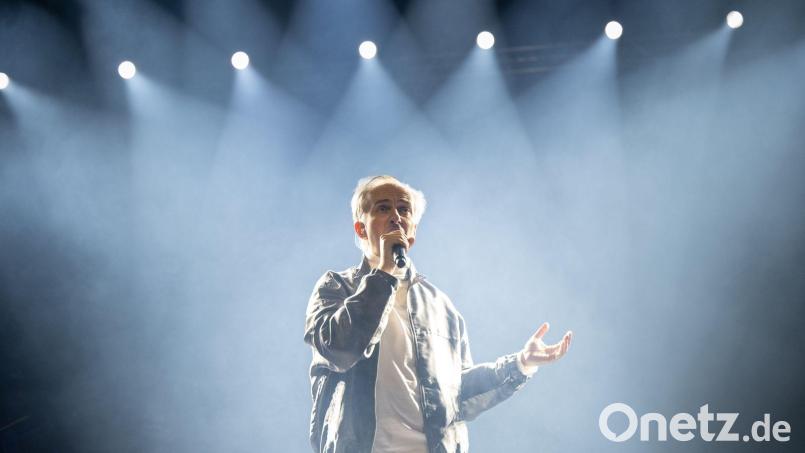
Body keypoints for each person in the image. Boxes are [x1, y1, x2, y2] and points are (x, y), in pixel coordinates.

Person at [304, 175, 572, 453]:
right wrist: (383, 273)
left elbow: (457, 394)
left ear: (413, 232)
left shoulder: (441, 307)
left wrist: (520, 364)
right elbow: (340, 348)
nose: (396, 217)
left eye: (404, 209)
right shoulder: (336, 287)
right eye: (383, 208)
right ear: (361, 229)